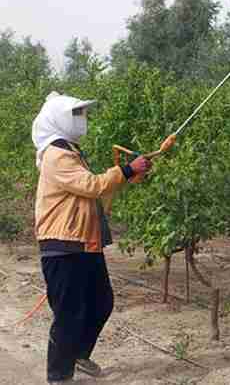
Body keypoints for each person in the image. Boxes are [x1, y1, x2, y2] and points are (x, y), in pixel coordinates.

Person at [31, 91, 152, 384]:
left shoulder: (70, 151)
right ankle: (58, 376)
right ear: (57, 119)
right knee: (69, 312)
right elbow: (91, 185)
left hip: (85, 242)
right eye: (76, 114)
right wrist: (125, 169)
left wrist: (128, 176)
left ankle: (78, 355)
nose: (82, 120)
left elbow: (94, 194)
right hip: (63, 245)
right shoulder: (56, 154)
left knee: (101, 302)